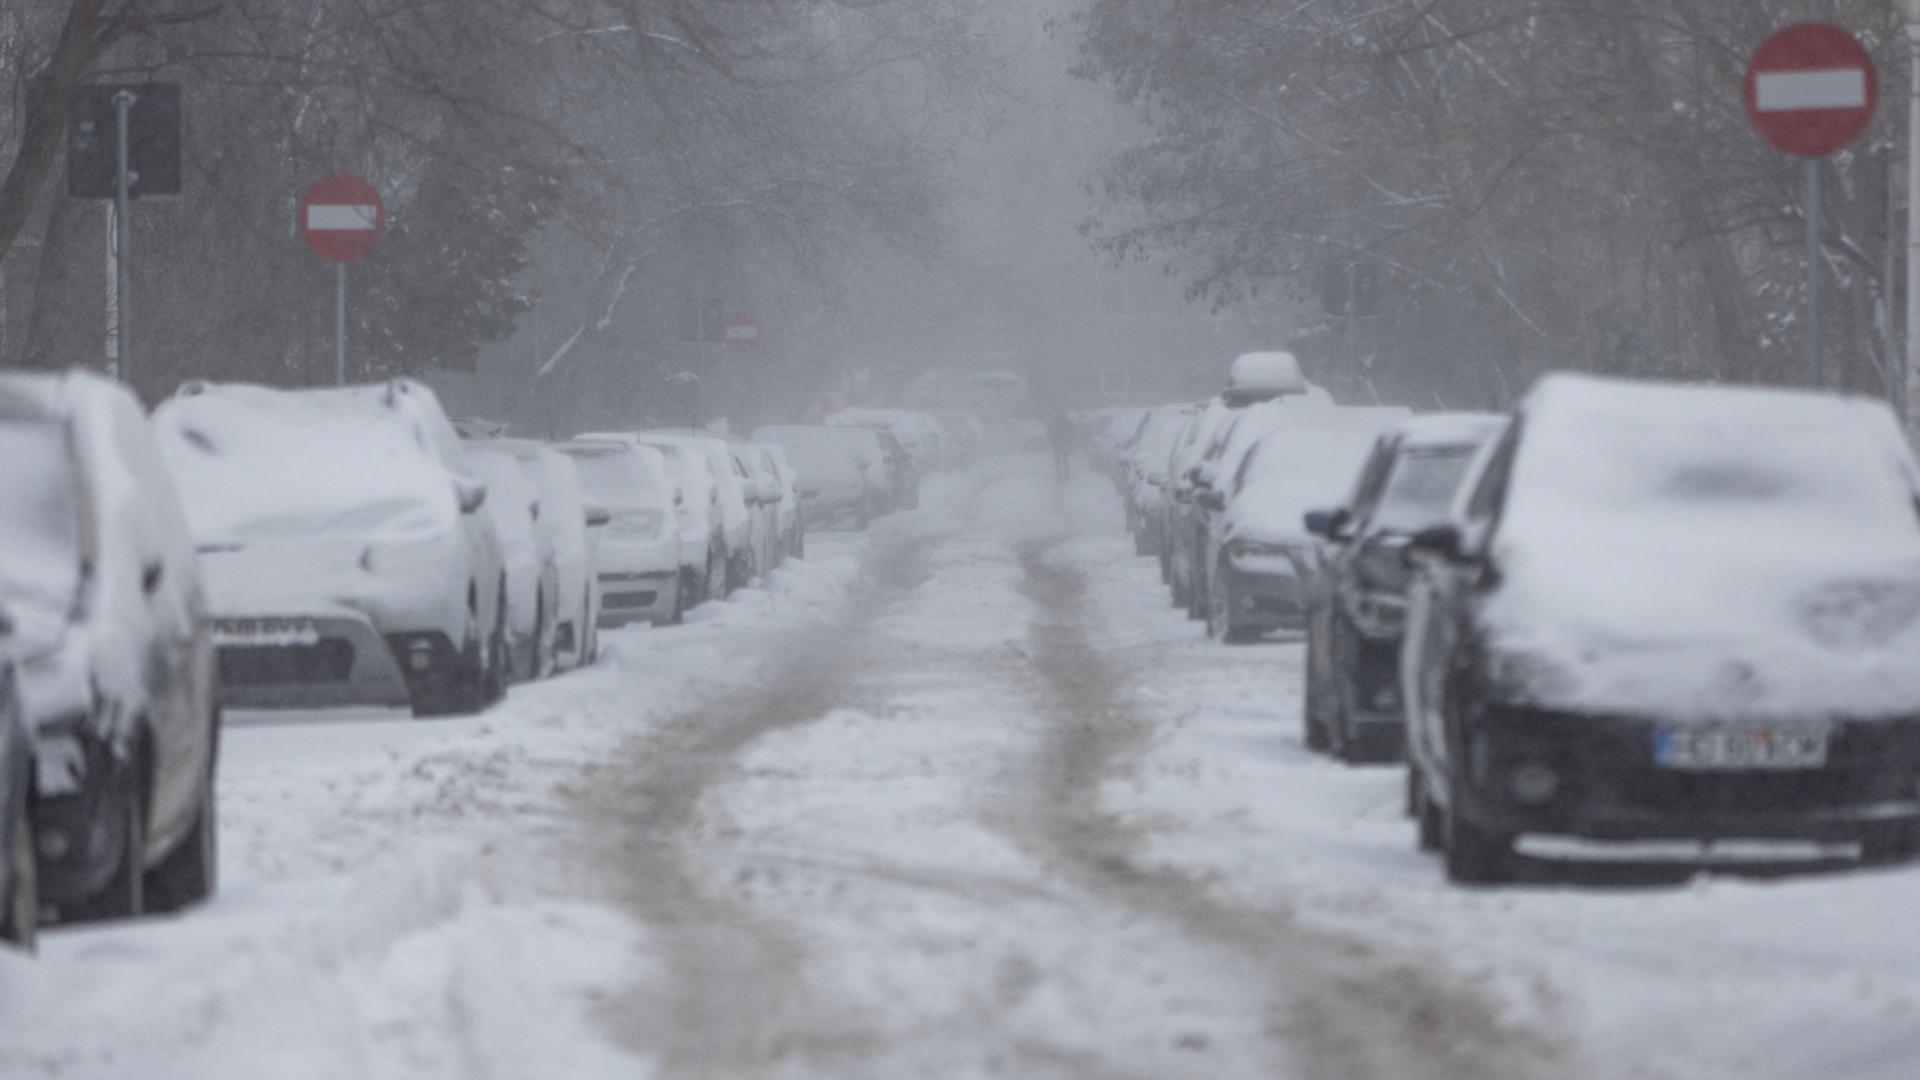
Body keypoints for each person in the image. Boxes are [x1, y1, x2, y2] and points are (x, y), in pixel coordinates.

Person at [1047, 411, 1075, 482]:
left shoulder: (1054, 421)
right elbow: (1072, 430)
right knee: (1065, 458)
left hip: (1057, 442)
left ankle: (1059, 474)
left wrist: (1051, 440)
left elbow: (1049, 431)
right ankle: (1066, 473)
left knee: (1058, 459)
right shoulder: (1067, 420)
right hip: (1064, 441)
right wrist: (1070, 439)